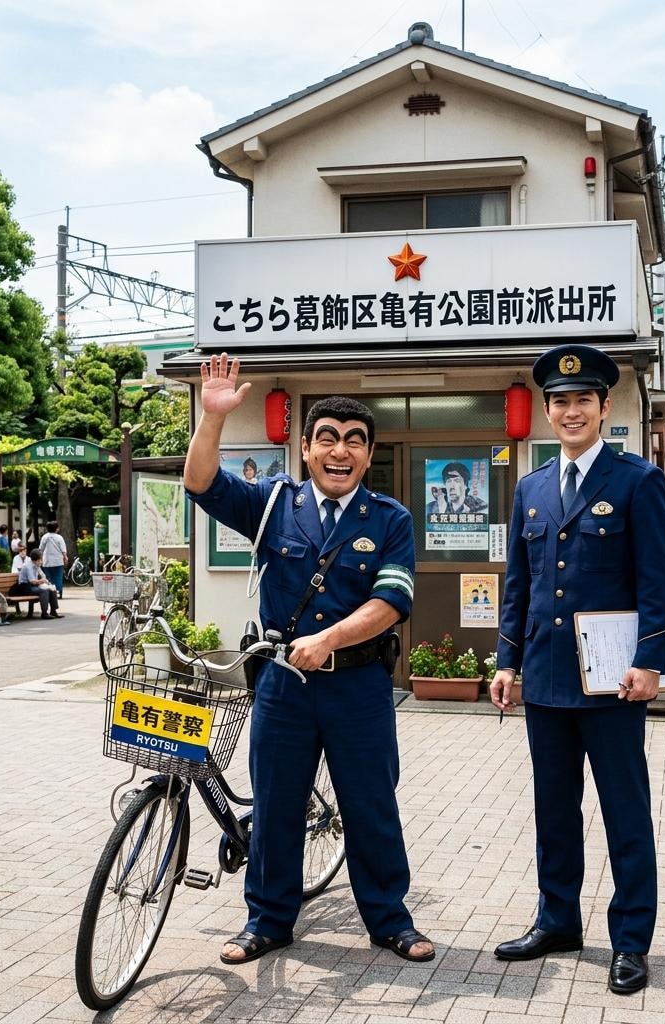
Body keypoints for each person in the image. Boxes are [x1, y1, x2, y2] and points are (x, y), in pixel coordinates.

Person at [184, 353, 433, 967]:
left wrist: (331, 640)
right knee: (276, 801)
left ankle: (389, 919)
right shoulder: (274, 505)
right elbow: (199, 483)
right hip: (283, 686)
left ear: (369, 455)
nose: (340, 451)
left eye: (354, 441)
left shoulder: (391, 519)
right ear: (305, 448)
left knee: (370, 800)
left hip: (358, 687)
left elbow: (392, 600)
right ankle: (267, 920)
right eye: (327, 439)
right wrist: (213, 419)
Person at [489, 343, 665, 997]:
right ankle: (557, 921)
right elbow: (520, 582)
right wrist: (505, 661)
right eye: (559, 402)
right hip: (543, 677)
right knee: (554, 811)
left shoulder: (636, 481)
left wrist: (650, 662)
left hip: (612, 681)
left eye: (582, 400)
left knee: (626, 812)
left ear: (602, 407)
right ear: (547, 411)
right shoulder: (533, 487)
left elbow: (659, 582)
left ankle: (631, 941)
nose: (570, 411)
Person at [10, 549, 63, 619]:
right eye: (40, 560)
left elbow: (42, 575)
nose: (41, 561)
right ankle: (44, 613)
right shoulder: (28, 566)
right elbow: (32, 581)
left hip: (31, 586)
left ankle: (53, 611)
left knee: (51, 589)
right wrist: (42, 581)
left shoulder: (36, 565)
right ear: (35, 560)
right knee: (44, 591)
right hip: (24, 587)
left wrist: (46, 581)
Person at [39, 520, 68, 598]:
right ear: (56, 529)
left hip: (47, 561)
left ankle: (50, 592)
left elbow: (41, 549)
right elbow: (63, 550)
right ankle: (58, 591)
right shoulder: (59, 537)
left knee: (48, 577)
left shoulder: (44, 537)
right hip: (58, 561)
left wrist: (40, 559)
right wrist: (65, 558)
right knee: (58, 577)